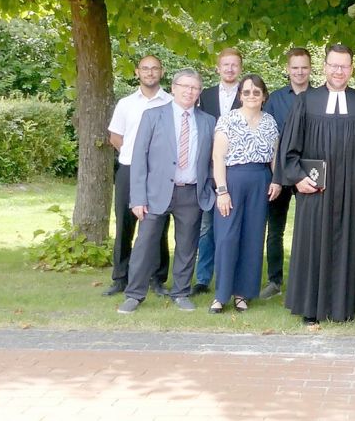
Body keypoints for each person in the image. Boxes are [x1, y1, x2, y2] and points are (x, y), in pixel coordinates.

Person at [277, 43, 355, 323]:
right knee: (313, 247)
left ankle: (343, 307)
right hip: (315, 190)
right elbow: (290, 147)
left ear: (352, 69)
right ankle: (311, 309)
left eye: (344, 66)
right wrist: (298, 178)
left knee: (347, 245)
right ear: (324, 67)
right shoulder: (306, 101)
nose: (338, 70)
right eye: (333, 65)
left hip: (350, 189)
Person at [117, 69, 216, 314]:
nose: (189, 91)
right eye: (185, 86)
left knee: (186, 246)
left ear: (199, 93)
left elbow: (212, 160)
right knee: (145, 244)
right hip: (155, 193)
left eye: (194, 88)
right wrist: (137, 198)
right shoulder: (153, 116)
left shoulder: (207, 121)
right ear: (173, 87)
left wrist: (209, 189)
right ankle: (134, 294)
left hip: (191, 193)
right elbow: (139, 159)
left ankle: (181, 292)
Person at [209, 74, 282, 314]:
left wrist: (277, 181)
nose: (251, 96)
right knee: (227, 238)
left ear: (264, 96)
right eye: (247, 92)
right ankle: (221, 295)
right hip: (232, 181)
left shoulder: (270, 122)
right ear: (240, 95)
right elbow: (218, 157)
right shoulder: (227, 120)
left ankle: (242, 294)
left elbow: (274, 157)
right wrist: (222, 191)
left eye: (256, 92)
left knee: (253, 238)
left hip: (260, 181)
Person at [104, 55, 173, 298]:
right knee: (125, 223)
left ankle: (157, 278)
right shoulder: (126, 103)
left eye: (155, 68)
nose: (150, 73)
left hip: (158, 173)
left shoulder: (171, 102)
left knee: (158, 225)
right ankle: (120, 278)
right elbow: (115, 136)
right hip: (129, 169)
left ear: (161, 72)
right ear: (137, 73)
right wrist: (135, 158)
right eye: (145, 69)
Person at [260, 48, 313, 300]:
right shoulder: (275, 100)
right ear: (287, 69)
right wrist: (275, 177)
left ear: (310, 69)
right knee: (275, 229)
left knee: (311, 228)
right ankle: (274, 280)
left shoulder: (320, 97)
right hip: (279, 173)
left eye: (304, 67)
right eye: (295, 67)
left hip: (310, 174)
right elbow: (270, 139)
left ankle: (308, 278)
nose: (299, 72)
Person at [193, 48, 243, 295]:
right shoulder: (206, 95)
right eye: (226, 64)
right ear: (218, 68)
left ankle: (233, 279)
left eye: (234, 65)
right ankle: (203, 278)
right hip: (208, 168)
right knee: (206, 226)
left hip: (236, 169)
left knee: (233, 226)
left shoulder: (248, 95)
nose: (230, 69)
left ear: (240, 69)